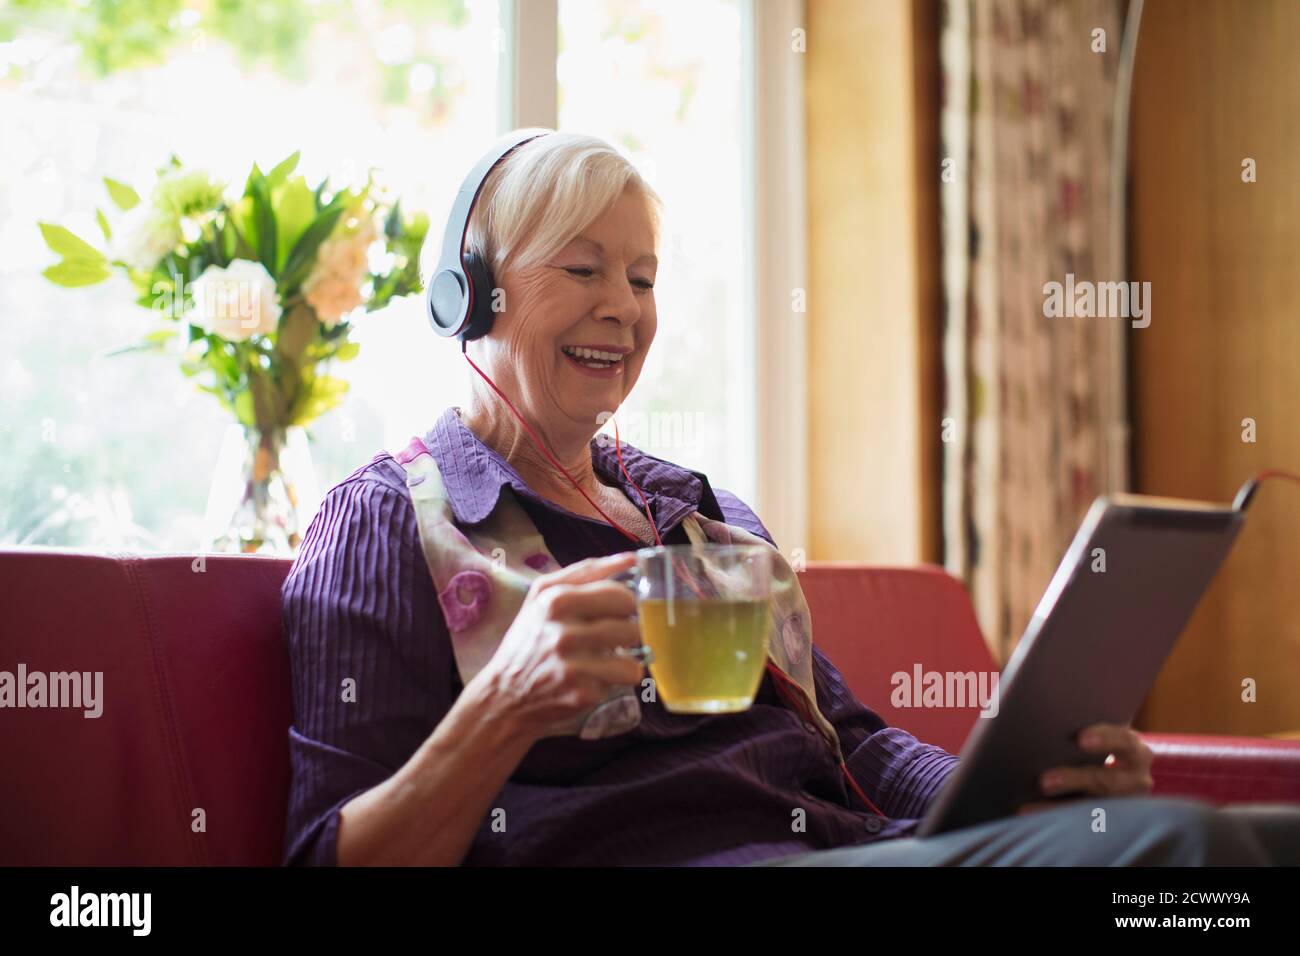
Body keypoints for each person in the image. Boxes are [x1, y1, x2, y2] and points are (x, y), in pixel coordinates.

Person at [280, 131, 1295, 866]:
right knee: (1182, 850)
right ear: (471, 293)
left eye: (641, 278)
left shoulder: (698, 510)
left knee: (1254, 838)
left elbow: (849, 740)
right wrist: (504, 702)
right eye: (582, 268)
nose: (622, 309)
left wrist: (1017, 795)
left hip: (851, 848)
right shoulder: (385, 521)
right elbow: (330, 855)